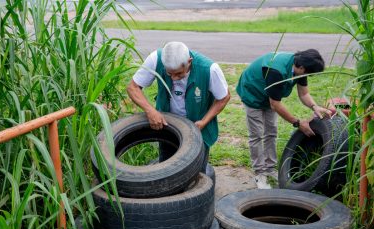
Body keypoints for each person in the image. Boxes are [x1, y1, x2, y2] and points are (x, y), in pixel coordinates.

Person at [127, 41, 230, 172]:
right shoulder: (155, 59)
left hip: (197, 128)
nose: (174, 78)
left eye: (179, 74)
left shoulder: (209, 69)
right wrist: (150, 111)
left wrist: (204, 121)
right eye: (169, 74)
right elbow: (133, 87)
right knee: (165, 169)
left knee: (195, 173)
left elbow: (224, 97)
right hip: (167, 125)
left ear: (189, 61)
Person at [236, 49, 332, 189]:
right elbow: (275, 104)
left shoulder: (300, 66)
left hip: (271, 95)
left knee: (271, 132)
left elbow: (304, 94)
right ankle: (260, 173)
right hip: (253, 93)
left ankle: (270, 168)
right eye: (308, 74)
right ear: (301, 68)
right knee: (256, 134)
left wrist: (315, 107)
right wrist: (298, 123)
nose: (308, 77)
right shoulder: (276, 70)